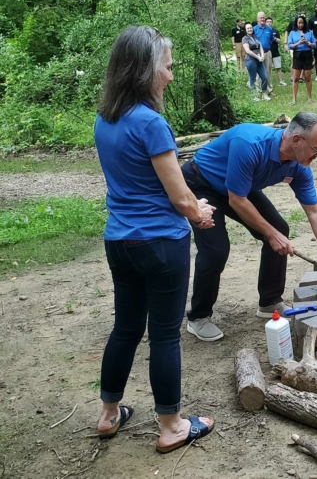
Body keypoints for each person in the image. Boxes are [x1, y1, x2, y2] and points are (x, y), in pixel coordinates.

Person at [94, 25, 215, 451]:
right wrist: (200, 211)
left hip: (119, 242)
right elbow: (180, 197)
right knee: (164, 334)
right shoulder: (151, 123)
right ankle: (171, 427)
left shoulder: (104, 119)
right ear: (145, 70)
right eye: (166, 66)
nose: (171, 75)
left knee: (125, 328)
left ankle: (109, 415)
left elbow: (132, 182)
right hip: (161, 244)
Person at [180, 112, 317, 340]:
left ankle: (269, 301)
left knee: (280, 228)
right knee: (216, 250)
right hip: (202, 183)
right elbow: (236, 201)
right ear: (296, 140)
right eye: (316, 149)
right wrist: (270, 234)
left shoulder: (298, 167)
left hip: (240, 187)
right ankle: (198, 317)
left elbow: (315, 211)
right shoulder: (249, 144)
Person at [287, 15, 317, 104]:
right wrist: (299, 43)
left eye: (302, 23)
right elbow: (290, 45)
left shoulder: (309, 32)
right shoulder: (292, 33)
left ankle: (310, 98)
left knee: (308, 77)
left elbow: (315, 45)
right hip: (297, 55)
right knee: (296, 78)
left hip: (307, 55)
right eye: (299, 23)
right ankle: (294, 99)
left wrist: (307, 43)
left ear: (304, 23)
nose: (300, 24)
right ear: (296, 23)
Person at [242, 23, 271, 102]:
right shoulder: (245, 38)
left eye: (250, 28)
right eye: (248, 28)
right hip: (251, 61)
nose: (249, 29)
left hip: (259, 61)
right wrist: (257, 57)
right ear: (245, 30)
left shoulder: (255, 37)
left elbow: (260, 46)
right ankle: (254, 96)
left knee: (264, 77)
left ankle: (264, 94)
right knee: (253, 79)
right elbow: (247, 50)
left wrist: (262, 56)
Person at [253, 11, 275, 92]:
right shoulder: (254, 29)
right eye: (260, 18)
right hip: (258, 54)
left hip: (267, 52)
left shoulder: (269, 28)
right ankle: (259, 90)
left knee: (268, 72)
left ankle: (269, 90)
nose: (262, 19)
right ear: (257, 19)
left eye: (263, 17)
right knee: (258, 73)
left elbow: (271, 40)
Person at [266, 17, 287, 86]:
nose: (269, 23)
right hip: (267, 52)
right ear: (265, 23)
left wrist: (274, 38)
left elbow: (279, 41)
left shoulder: (275, 31)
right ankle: (269, 83)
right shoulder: (264, 31)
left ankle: (281, 81)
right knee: (268, 69)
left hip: (275, 52)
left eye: (270, 22)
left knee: (278, 67)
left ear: (272, 23)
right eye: (268, 21)